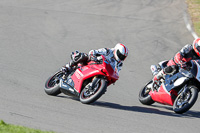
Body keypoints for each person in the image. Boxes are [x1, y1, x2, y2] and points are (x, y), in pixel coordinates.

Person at [61, 43, 128, 75]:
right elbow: (93, 51)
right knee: (84, 56)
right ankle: (67, 67)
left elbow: (116, 73)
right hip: (94, 62)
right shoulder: (108, 51)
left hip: (102, 71)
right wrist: (93, 56)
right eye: (120, 55)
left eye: (123, 57)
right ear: (116, 50)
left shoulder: (119, 64)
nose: (121, 57)